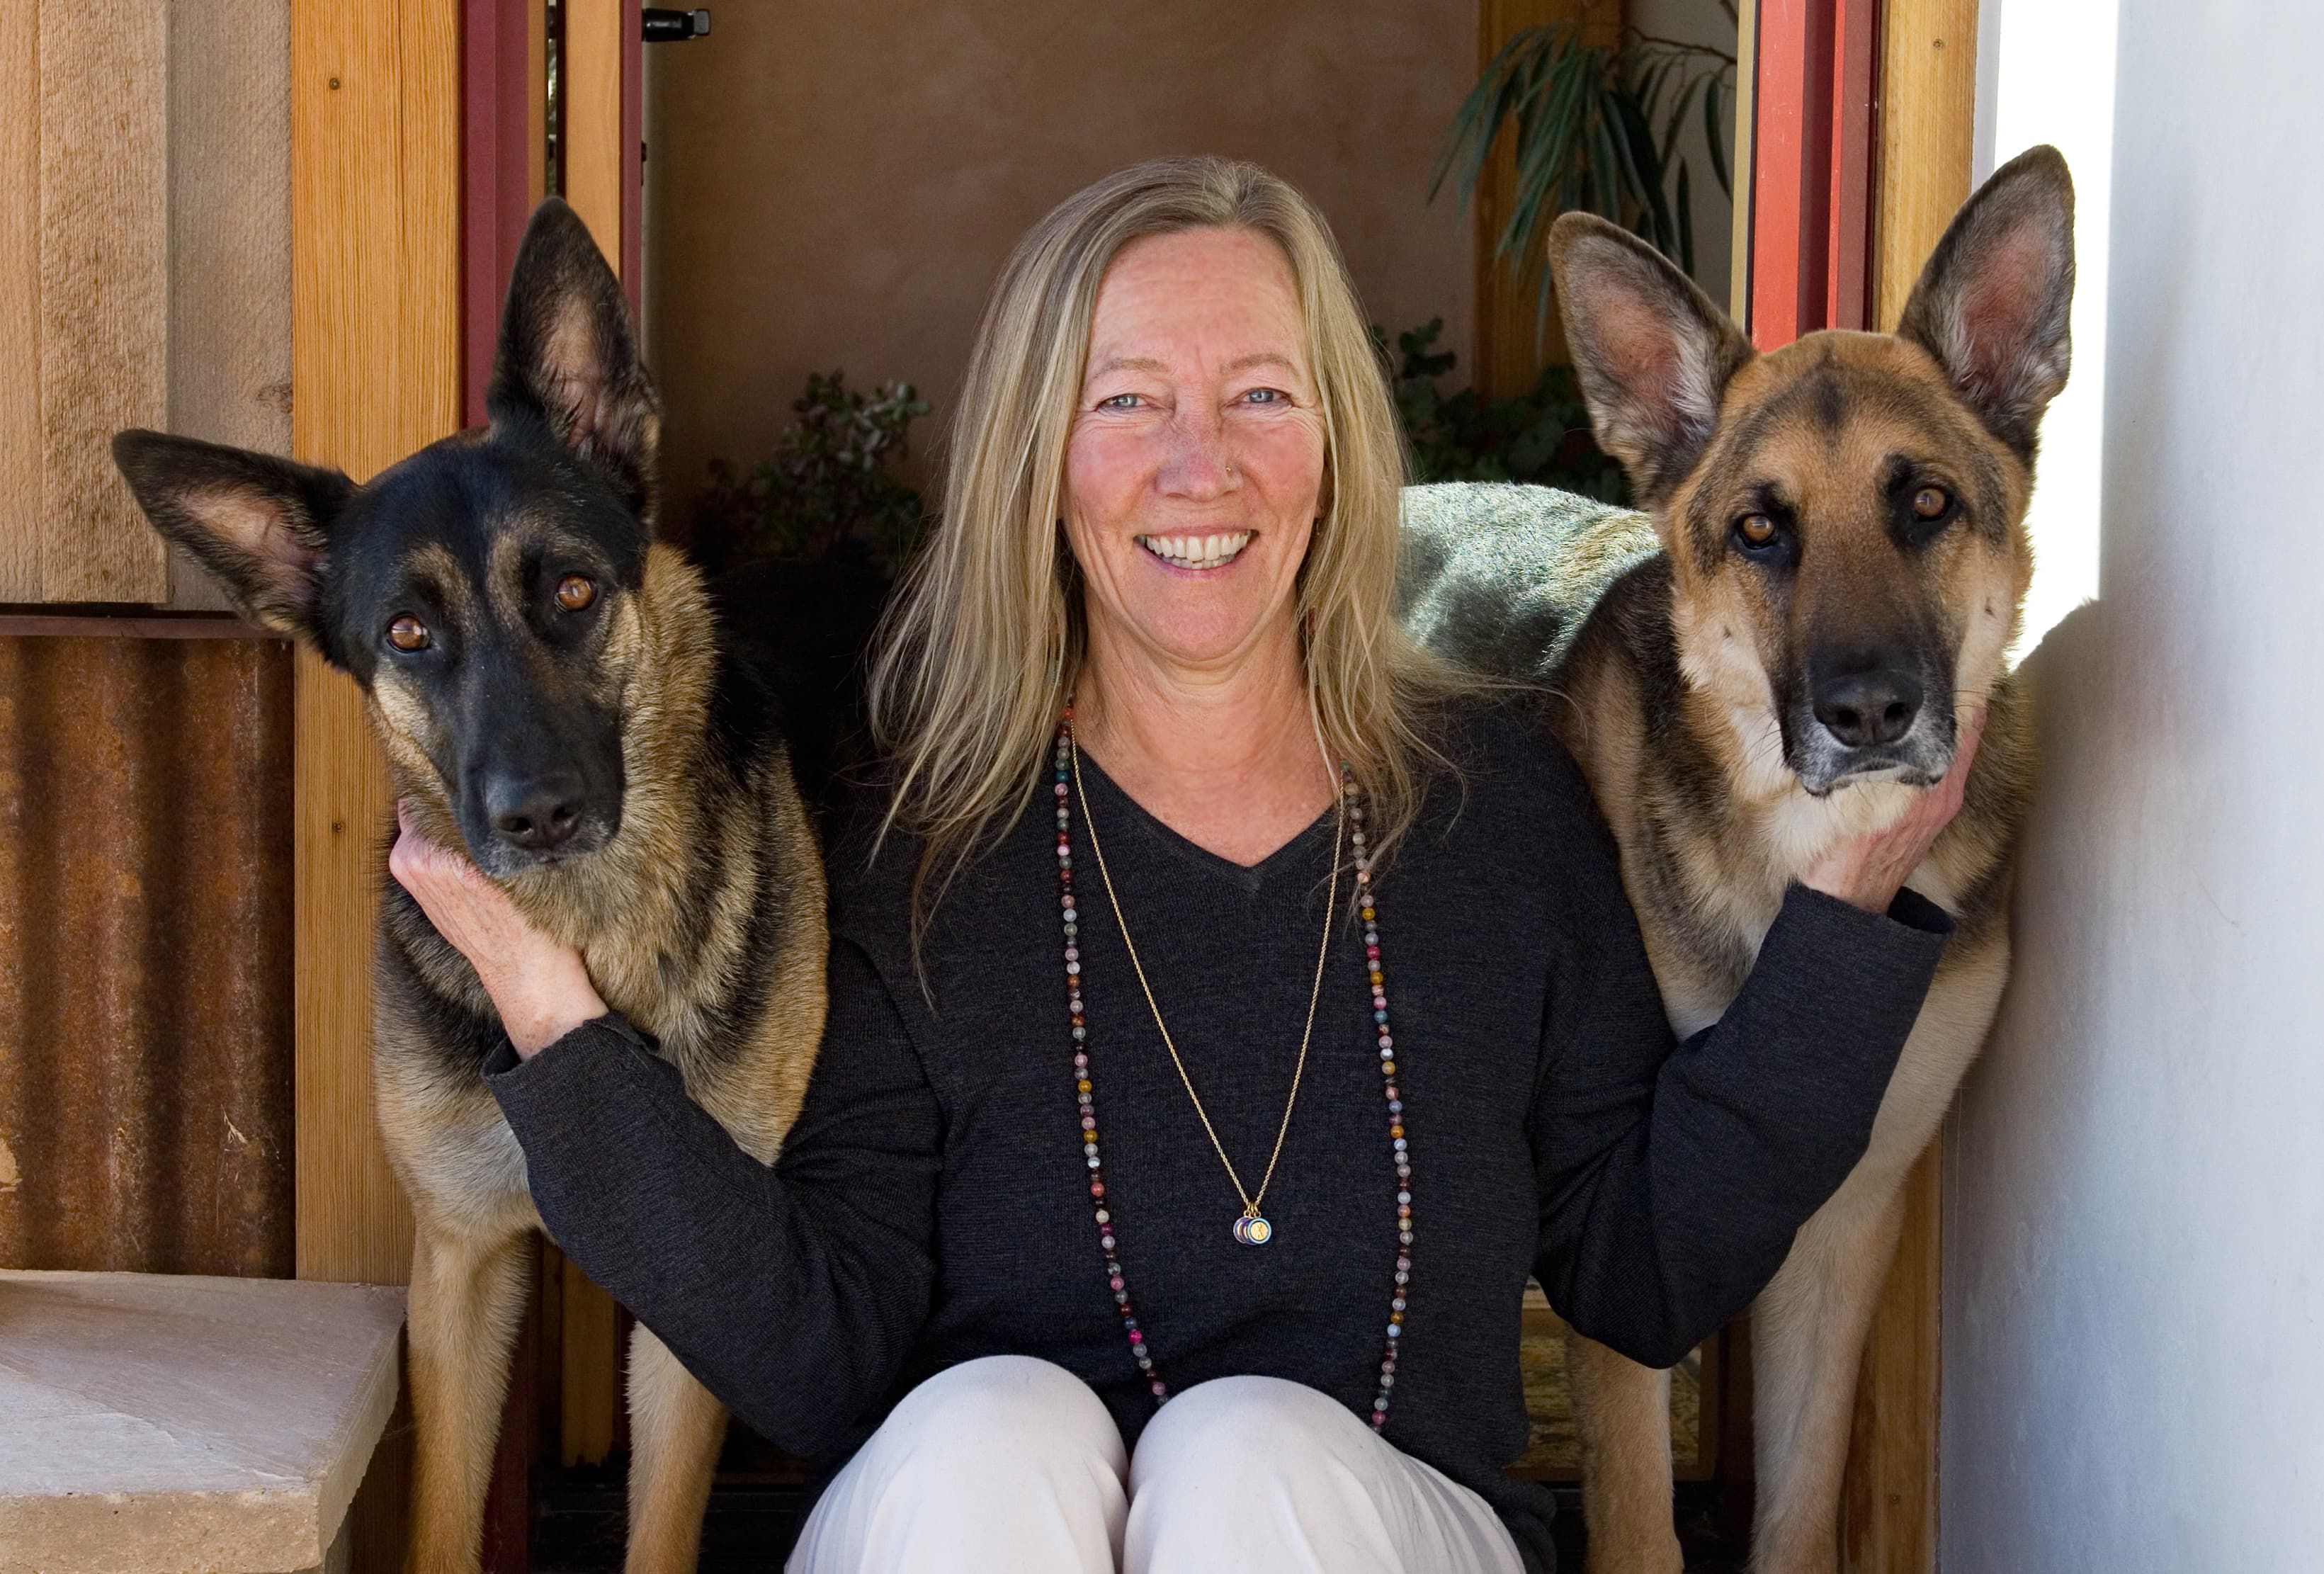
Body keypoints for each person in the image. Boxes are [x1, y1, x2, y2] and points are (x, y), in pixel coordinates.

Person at [390, 157, 1971, 1574]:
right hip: (978, 1532)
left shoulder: (1497, 806)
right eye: (1127, 400)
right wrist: (561, 1032)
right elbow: (820, 1355)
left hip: (1375, 1531)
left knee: (1247, 1459)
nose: (1197, 466)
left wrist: (1842, 919)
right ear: (1039, 458)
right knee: (987, 1429)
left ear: (1339, 446)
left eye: (1262, 397)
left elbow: (1644, 1268)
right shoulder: (919, 846)